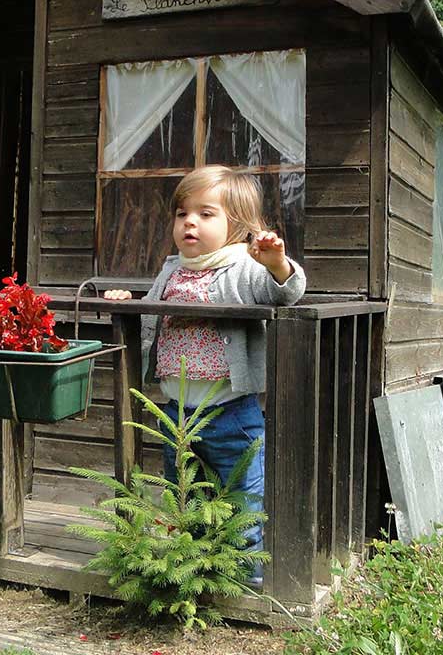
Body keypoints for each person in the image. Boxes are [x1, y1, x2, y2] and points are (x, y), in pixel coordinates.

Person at [104, 164, 306, 567]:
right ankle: (190, 566)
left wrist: (277, 264)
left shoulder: (244, 266)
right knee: (185, 493)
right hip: (177, 412)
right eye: (182, 214)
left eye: (205, 214)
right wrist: (130, 301)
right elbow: (155, 311)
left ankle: (245, 575)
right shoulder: (173, 268)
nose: (189, 222)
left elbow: (286, 293)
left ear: (236, 224)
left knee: (243, 497)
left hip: (230, 412)